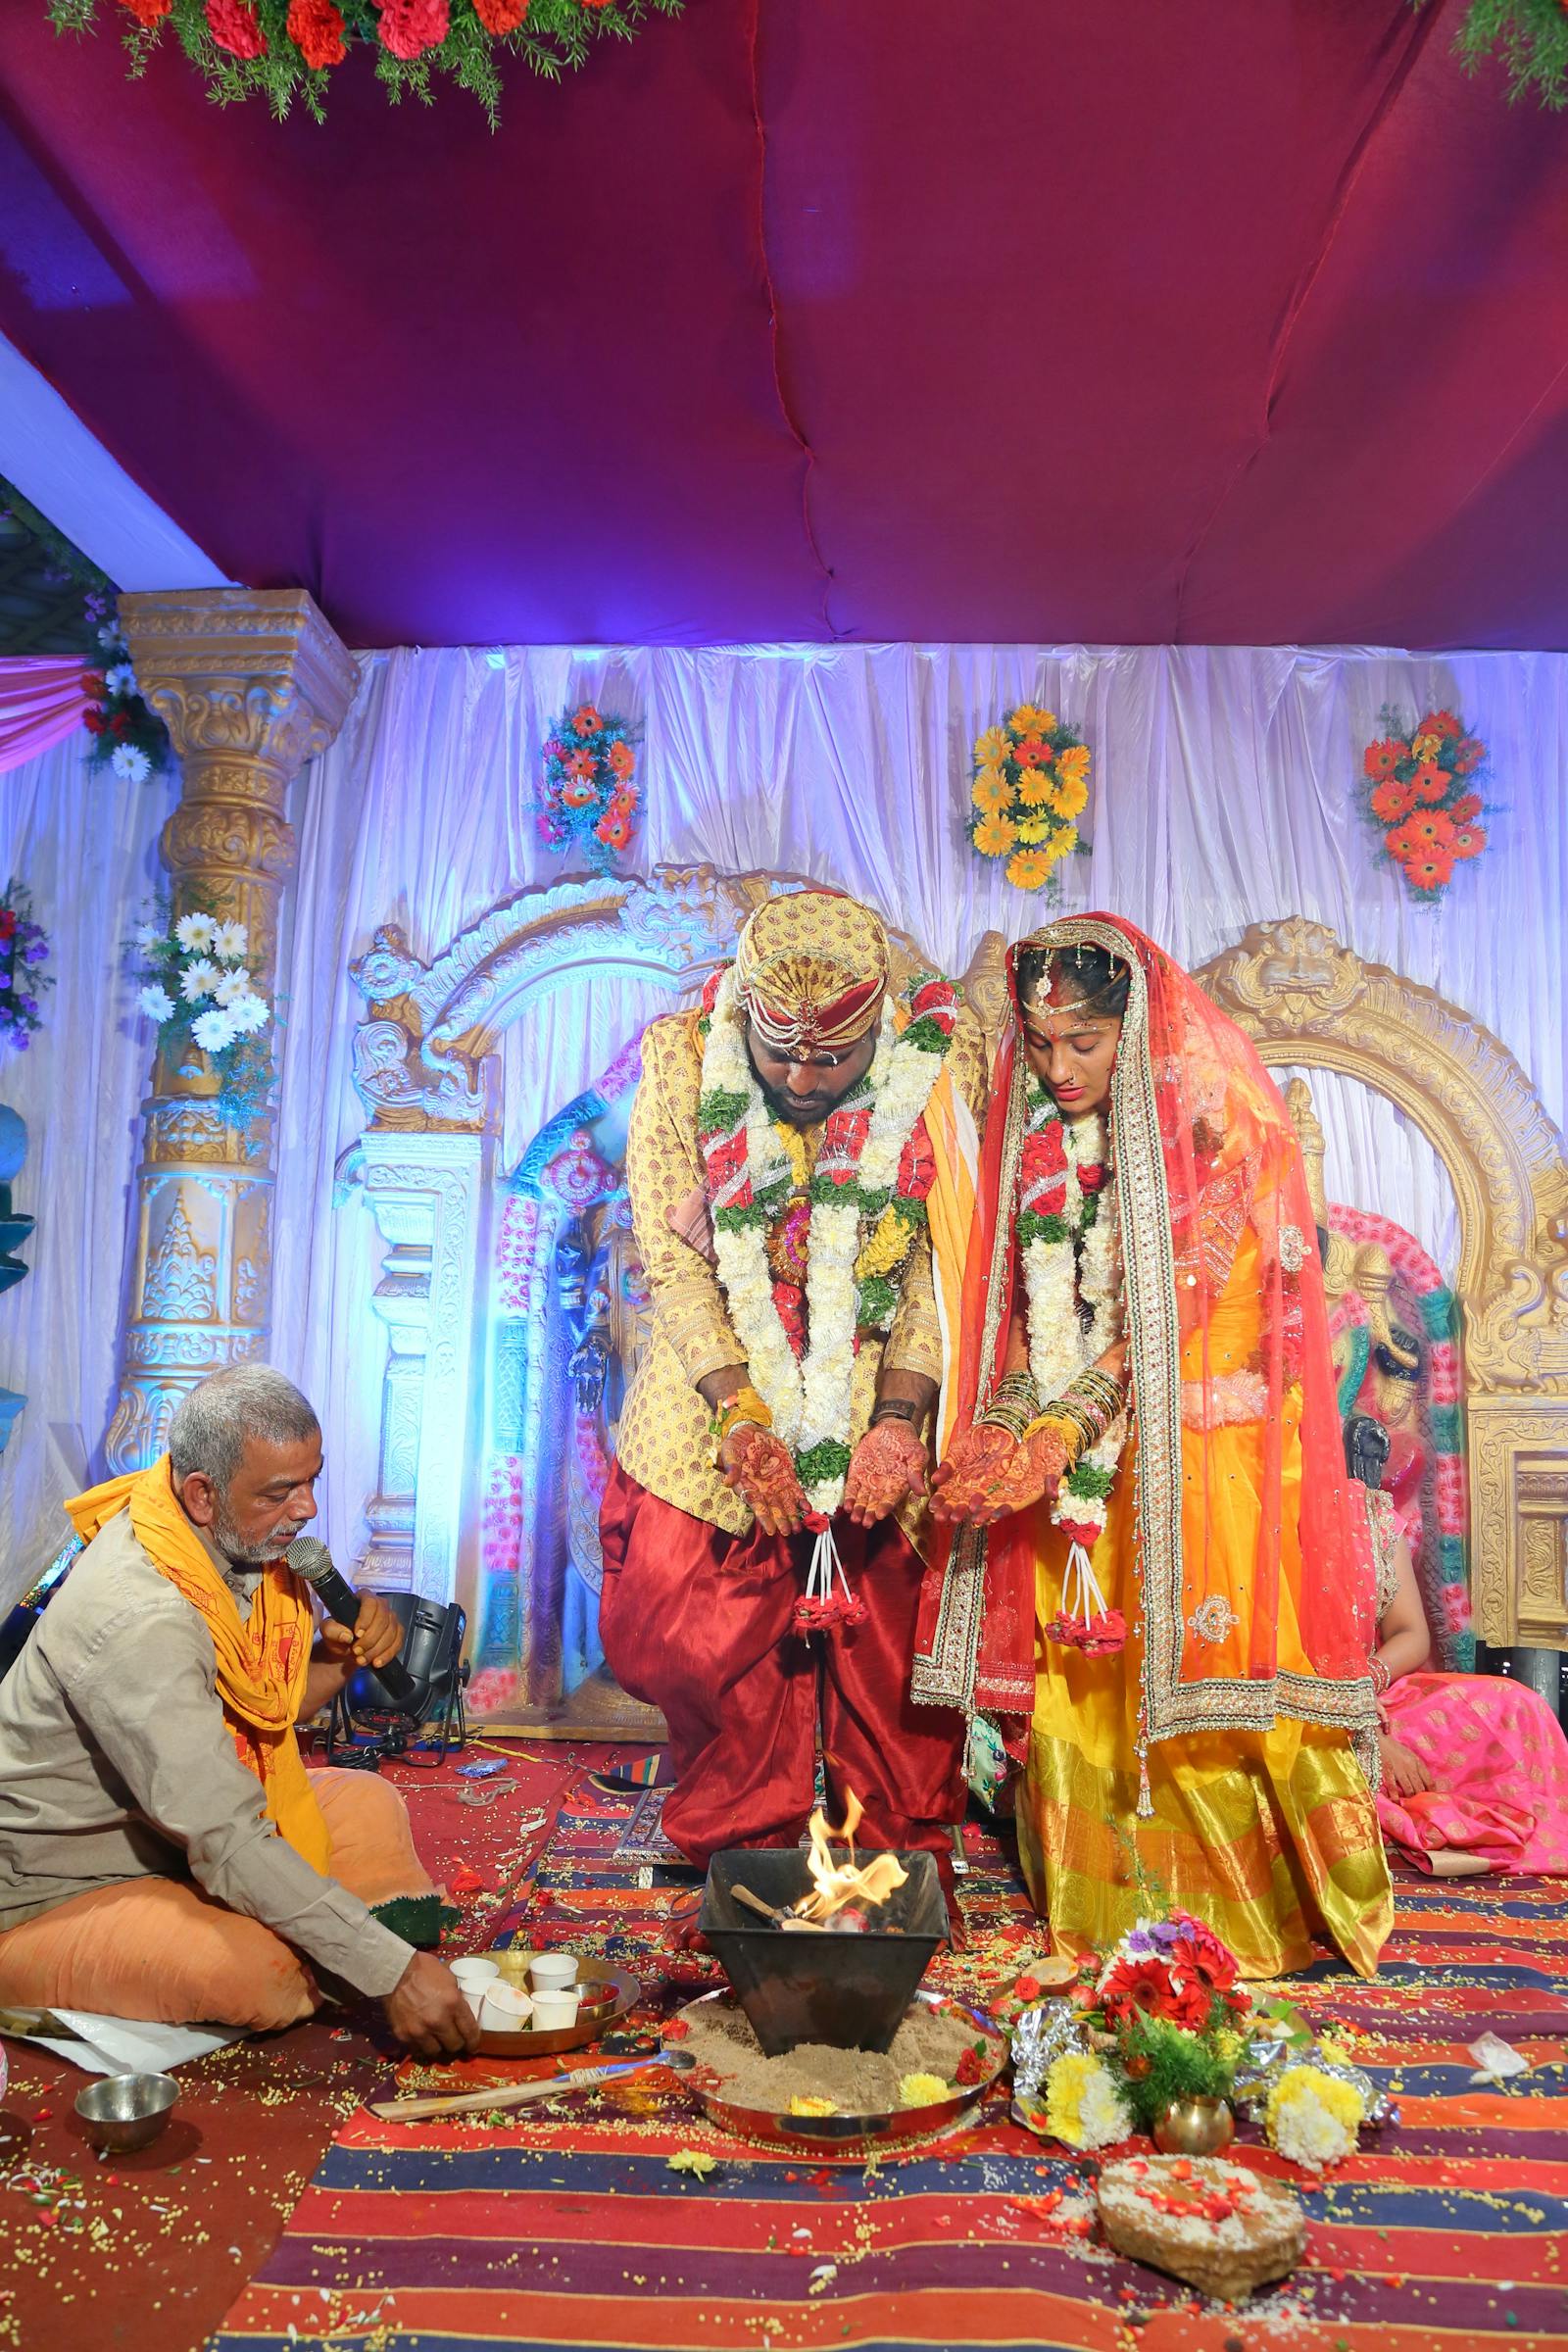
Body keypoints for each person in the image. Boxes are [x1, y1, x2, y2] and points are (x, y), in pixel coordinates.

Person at [918, 913, 1393, 1979]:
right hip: (1089, 1459)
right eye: (1040, 1046)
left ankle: (1236, 1910)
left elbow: (1173, 1312)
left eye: (1082, 1043)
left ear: (1132, 1027)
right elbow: (1018, 1305)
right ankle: (1103, 1894)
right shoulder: (1038, 1132)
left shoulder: (1224, 1131)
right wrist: (1003, 1423)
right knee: (1083, 1669)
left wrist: (1061, 1419)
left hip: (1204, 1446)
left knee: (1203, 1667)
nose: (1058, 1067)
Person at [599, 888, 987, 1898]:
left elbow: (937, 1277)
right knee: (686, 1623)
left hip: (873, 1383)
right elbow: (672, 1263)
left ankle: (892, 1856)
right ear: (742, 1021)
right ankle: (744, 1847)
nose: (801, 1078)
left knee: (893, 1638)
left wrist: (899, 1421)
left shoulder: (936, 1066)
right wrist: (736, 1409)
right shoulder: (682, 1058)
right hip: (713, 1379)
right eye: (778, 1055)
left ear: (879, 1029)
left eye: (831, 1059)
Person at [0, 1365, 478, 2056]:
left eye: (312, 1480)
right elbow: (224, 1836)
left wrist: (339, 1658)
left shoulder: (238, 1540)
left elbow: (268, 1716)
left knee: (368, 1807)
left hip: (170, 1830)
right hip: (65, 1881)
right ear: (202, 1494)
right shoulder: (138, 1616)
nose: (308, 1509)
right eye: (282, 1492)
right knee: (263, 1974)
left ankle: (315, 1935)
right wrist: (389, 1970)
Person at [1365, 1488, 1568, 1877]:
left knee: (1516, 1704)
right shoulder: (1258, 1528)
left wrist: (1365, 1682)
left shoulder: (1370, 1517)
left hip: (1376, 1689)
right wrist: (1359, 1723)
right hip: (1303, 1707)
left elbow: (1410, 1633)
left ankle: (1541, 1830)